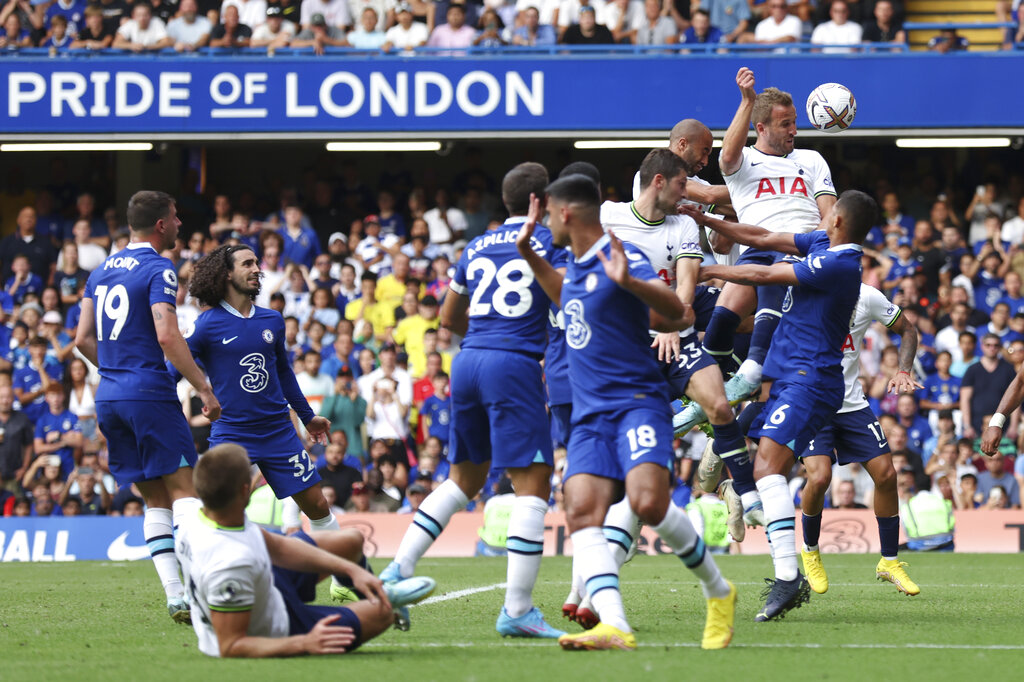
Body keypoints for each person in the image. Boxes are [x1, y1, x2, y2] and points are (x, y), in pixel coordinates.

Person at [516, 175, 736, 650]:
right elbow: (565, 294)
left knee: (648, 503)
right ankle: (615, 624)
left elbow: (678, 315)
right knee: (581, 509)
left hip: (636, 401)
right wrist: (530, 255)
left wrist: (632, 284)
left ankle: (719, 591)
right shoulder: (571, 264)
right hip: (591, 415)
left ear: (566, 214)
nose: (547, 223)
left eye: (550, 214)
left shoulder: (622, 258)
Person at [378, 163, 565, 640]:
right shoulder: (546, 242)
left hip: (467, 361)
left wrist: (485, 340)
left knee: (463, 478)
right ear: (539, 202)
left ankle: (397, 570)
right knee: (533, 485)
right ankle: (518, 609)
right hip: (512, 364)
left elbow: (447, 317)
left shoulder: (475, 246)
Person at [696, 189, 877, 621]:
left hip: (810, 380)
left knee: (766, 470)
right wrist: (705, 221)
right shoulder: (822, 242)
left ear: (837, 219)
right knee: (765, 468)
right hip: (792, 379)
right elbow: (759, 236)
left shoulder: (838, 263)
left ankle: (787, 575)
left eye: (829, 208)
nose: (824, 210)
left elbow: (760, 277)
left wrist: (704, 271)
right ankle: (782, 567)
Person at [76, 190, 221, 623]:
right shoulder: (160, 267)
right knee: (185, 492)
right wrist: (204, 389)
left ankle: (176, 596)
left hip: (110, 396)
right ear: (161, 225)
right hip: (148, 394)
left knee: (154, 499)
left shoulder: (100, 270)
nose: (179, 225)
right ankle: (198, 596)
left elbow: (82, 339)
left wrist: (119, 372)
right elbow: (167, 335)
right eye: (176, 218)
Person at [677, 69, 836, 429]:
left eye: (794, 122)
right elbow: (727, 155)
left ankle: (752, 370)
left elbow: (829, 215)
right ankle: (708, 402)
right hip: (755, 246)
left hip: (798, 245)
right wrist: (747, 101)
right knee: (721, 320)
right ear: (760, 127)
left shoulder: (811, 160)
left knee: (772, 276)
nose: (794, 130)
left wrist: (816, 243)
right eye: (785, 124)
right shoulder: (743, 163)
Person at [176, 443, 437, 657]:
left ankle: (374, 588)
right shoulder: (230, 564)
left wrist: (349, 569)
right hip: (276, 627)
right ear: (245, 491)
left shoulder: (205, 514)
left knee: (352, 540)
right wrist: (303, 643)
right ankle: (383, 600)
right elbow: (231, 645)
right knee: (383, 614)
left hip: (265, 583)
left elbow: (277, 546)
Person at [182, 244, 347, 541]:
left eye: (257, 263)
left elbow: (283, 373)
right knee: (222, 508)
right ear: (227, 273)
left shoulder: (272, 319)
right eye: (247, 264)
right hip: (232, 432)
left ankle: (344, 581)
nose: (257, 269)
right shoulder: (206, 324)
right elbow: (174, 367)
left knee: (319, 505)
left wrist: (308, 418)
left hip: (277, 431)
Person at [962, 333, 1017, 438]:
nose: (992, 348)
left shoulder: (1009, 370)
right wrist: (967, 425)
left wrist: (1013, 426)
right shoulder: (972, 370)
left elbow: (1014, 398)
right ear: (982, 346)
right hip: (976, 425)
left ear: (1000, 347)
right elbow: (965, 400)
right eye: (988, 345)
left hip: (1004, 424)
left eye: (995, 345)